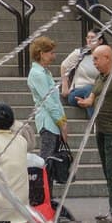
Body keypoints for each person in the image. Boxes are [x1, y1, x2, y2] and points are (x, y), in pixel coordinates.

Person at [71, 45, 112, 221]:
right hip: (100, 130)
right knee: (108, 172)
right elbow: (92, 98)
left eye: (96, 59)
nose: (94, 63)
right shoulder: (100, 76)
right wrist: (85, 102)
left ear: (107, 57)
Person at [26, 37, 67, 167]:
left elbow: (54, 100)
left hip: (53, 122)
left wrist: (62, 120)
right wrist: (61, 122)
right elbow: (48, 101)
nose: (54, 56)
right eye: (51, 53)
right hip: (48, 122)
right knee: (47, 161)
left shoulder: (44, 72)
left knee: (51, 162)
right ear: (42, 54)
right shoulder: (38, 74)